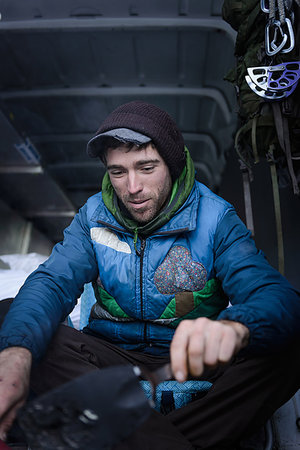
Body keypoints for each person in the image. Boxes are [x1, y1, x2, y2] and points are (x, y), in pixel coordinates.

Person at [0, 100, 299, 449]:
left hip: (191, 358)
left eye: (146, 167)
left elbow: (276, 298)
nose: (131, 187)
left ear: (171, 165)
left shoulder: (216, 219)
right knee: (13, 320)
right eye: (117, 172)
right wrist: (16, 353)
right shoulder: (93, 215)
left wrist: (237, 327)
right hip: (109, 354)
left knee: (289, 341)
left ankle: (129, 436)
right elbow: (52, 282)